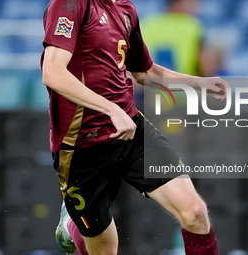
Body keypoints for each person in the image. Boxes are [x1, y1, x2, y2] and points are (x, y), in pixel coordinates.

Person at [41, 0, 228, 255]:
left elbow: (145, 72)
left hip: (131, 128)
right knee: (104, 249)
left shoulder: (126, 9)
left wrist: (199, 83)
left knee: (195, 213)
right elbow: (52, 72)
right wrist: (110, 109)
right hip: (82, 146)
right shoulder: (72, 4)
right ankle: (73, 225)